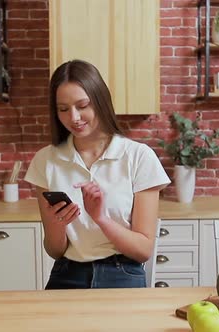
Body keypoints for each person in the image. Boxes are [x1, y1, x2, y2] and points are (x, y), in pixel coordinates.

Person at [24, 59, 170, 289]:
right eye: (63, 109)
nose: (74, 117)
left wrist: (100, 218)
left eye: (82, 106)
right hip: (67, 273)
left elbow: (143, 251)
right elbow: (55, 250)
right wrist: (57, 224)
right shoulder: (46, 160)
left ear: (101, 101)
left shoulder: (139, 157)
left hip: (122, 273)